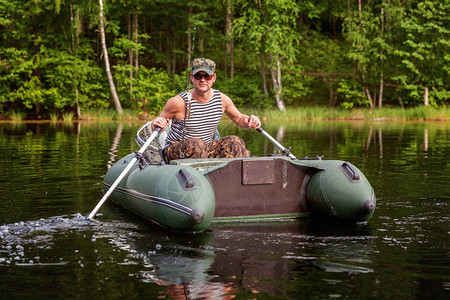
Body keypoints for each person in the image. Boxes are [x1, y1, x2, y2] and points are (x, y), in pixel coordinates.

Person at [152, 57, 261, 162]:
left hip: (206, 149)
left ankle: (232, 178)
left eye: (207, 76)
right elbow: (156, 126)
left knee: (235, 142)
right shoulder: (178, 102)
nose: (202, 80)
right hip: (176, 151)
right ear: (192, 77)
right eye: (198, 76)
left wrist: (251, 120)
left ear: (214, 78)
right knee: (197, 144)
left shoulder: (222, 100)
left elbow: (240, 118)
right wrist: (156, 123)